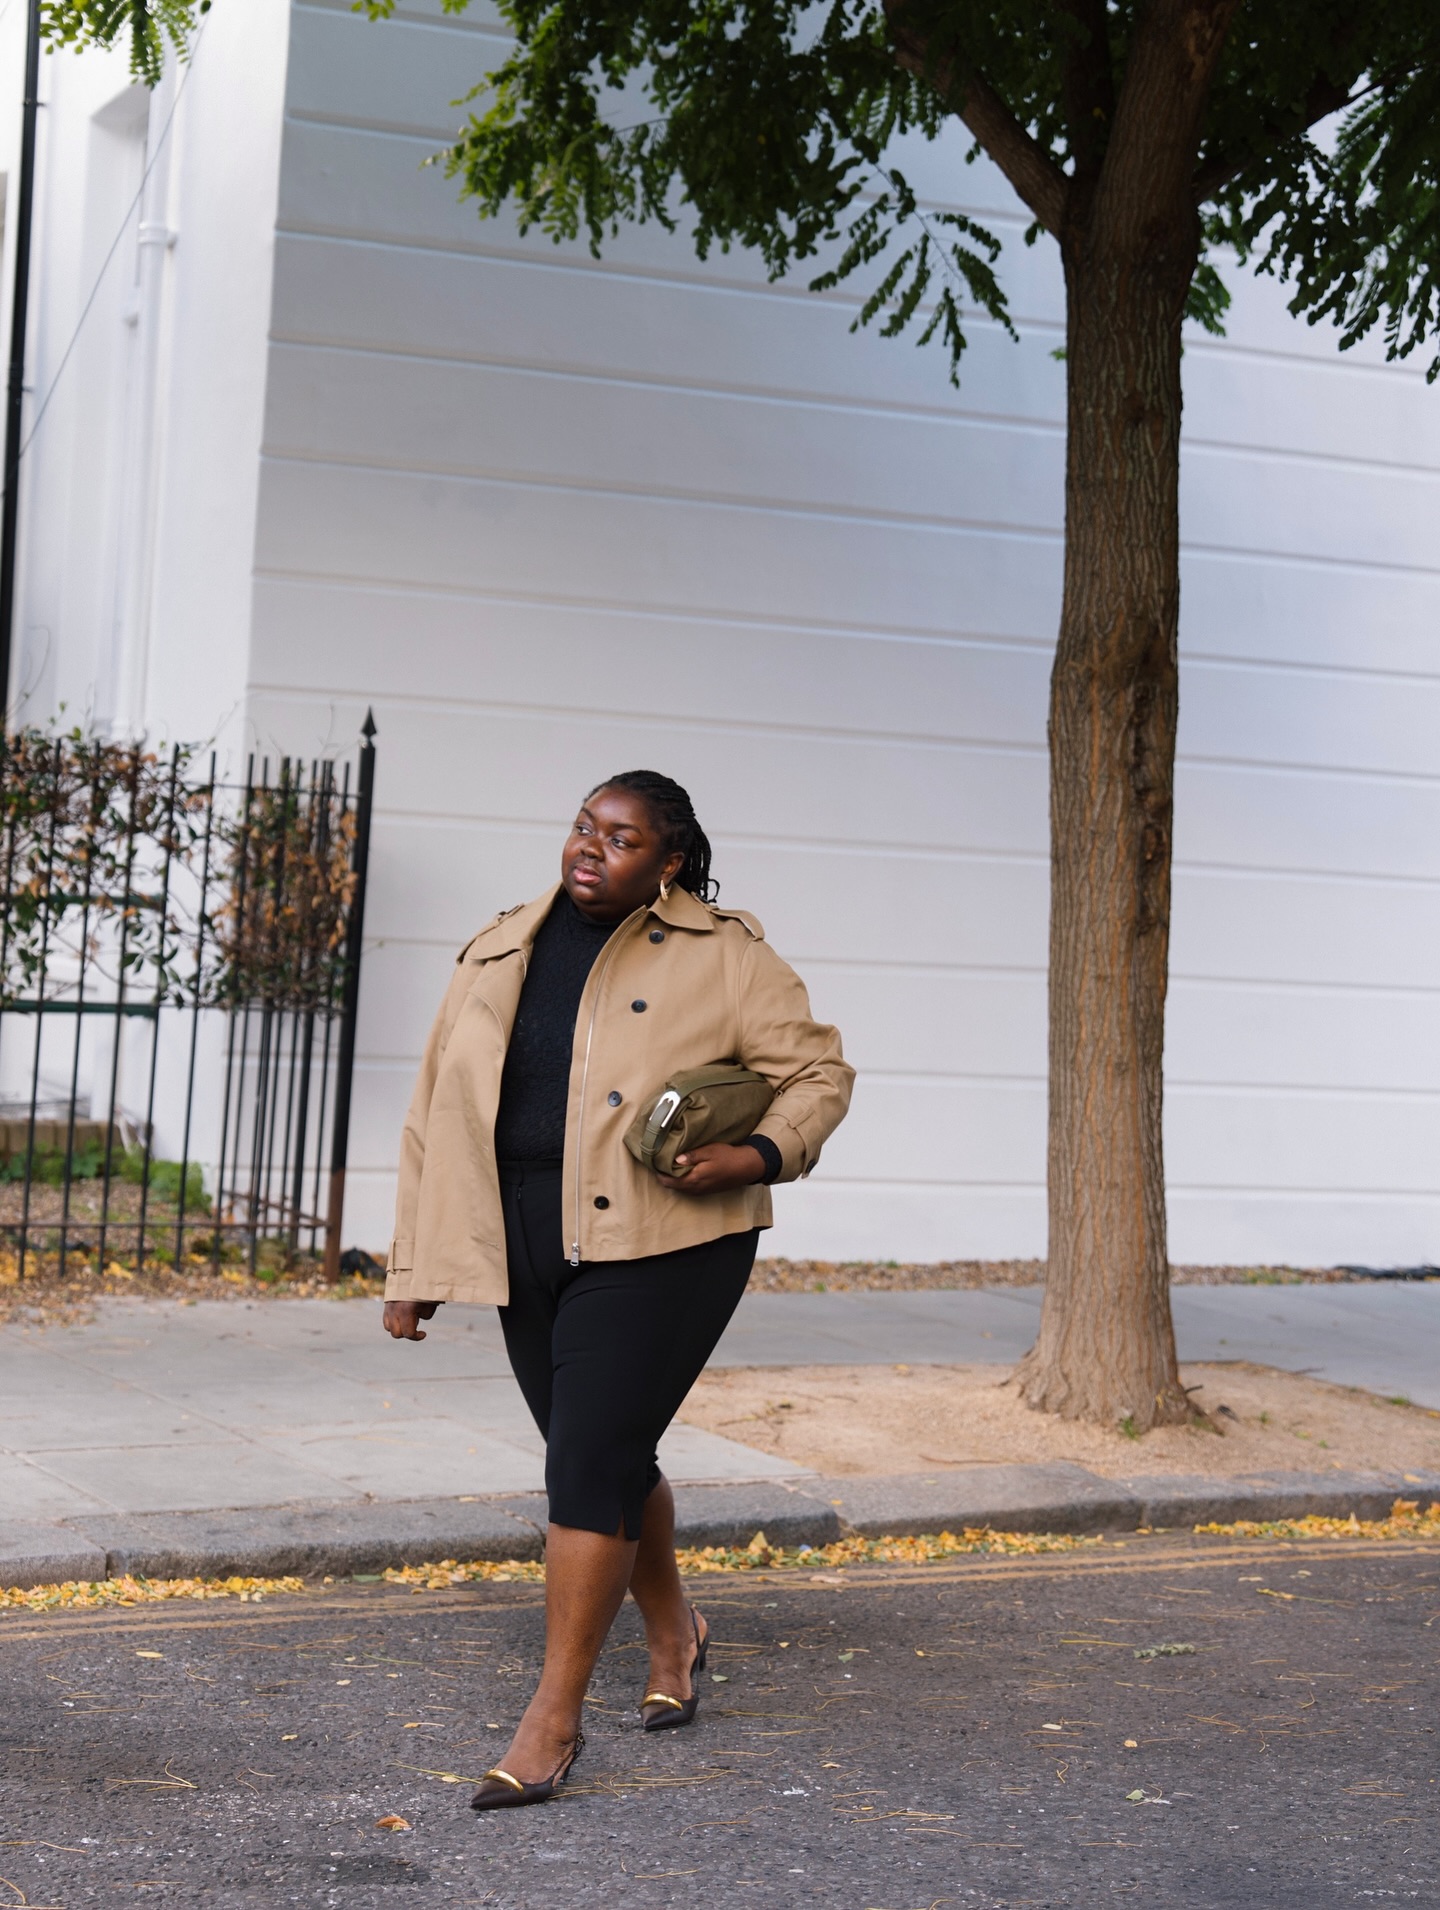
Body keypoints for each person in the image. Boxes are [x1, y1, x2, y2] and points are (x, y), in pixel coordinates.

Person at [382, 770, 853, 1811]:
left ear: (669, 860)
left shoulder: (727, 956)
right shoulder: (500, 943)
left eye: (623, 838)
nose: (590, 848)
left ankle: (552, 1719)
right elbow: (434, 1111)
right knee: (605, 1451)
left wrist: (762, 1154)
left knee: (583, 1462)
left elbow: (820, 1073)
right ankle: (674, 1624)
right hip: (524, 1237)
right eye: (584, 827)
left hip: (666, 1242)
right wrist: (414, 1266)